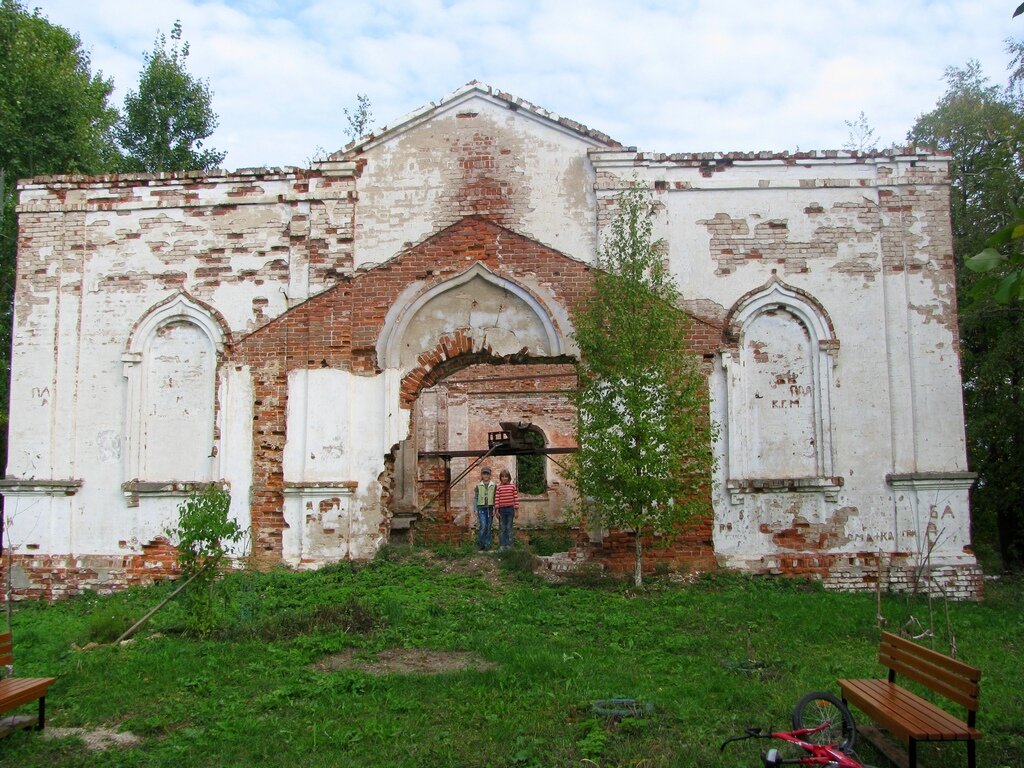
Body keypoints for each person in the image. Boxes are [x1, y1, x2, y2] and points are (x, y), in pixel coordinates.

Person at [495, 469, 519, 551]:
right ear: (500, 478)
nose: (504, 478)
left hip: (510, 509)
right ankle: (502, 545)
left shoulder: (512, 486)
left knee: (509, 528)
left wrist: (516, 511)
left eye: (506, 477)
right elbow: (497, 499)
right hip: (501, 510)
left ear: (509, 478)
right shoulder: (499, 487)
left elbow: (515, 499)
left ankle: (510, 546)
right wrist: (496, 510)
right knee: (502, 528)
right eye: (503, 477)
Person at [474, 466, 496, 551]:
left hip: (490, 508)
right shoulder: (478, 486)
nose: (486, 476)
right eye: (484, 474)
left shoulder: (493, 485)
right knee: (483, 526)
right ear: (481, 475)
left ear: (490, 475)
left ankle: (488, 545)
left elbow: (495, 498)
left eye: (487, 474)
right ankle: (481, 544)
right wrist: (475, 509)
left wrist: (494, 509)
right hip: (481, 508)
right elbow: (475, 498)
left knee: (489, 526)